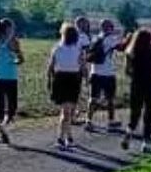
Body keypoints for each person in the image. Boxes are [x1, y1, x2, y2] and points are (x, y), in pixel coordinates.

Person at [84, 19, 128, 132]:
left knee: (93, 98)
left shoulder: (95, 38)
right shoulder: (110, 39)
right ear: (110, 28)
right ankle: (111, 121)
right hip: (108, 73)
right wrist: (129, 37)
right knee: (110, 99)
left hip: (95, 72)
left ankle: (88, 120)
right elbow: (122, 48)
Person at [47, 23, 85, 151]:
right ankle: (61, 138)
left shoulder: (56, 48)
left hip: (61, 79)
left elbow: (50, 67)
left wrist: (49, 80)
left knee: (67, 111)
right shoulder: (78, 50)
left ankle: (69, 137)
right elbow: (83, 67)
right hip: (72, 80)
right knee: (67, 112)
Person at [124, 29, 151, 153]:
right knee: (149, 115)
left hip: (136, 84)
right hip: (150, 85)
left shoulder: (130, 52)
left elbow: (127, 71)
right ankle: (145, 143)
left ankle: (129, 133)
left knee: (135, 113)